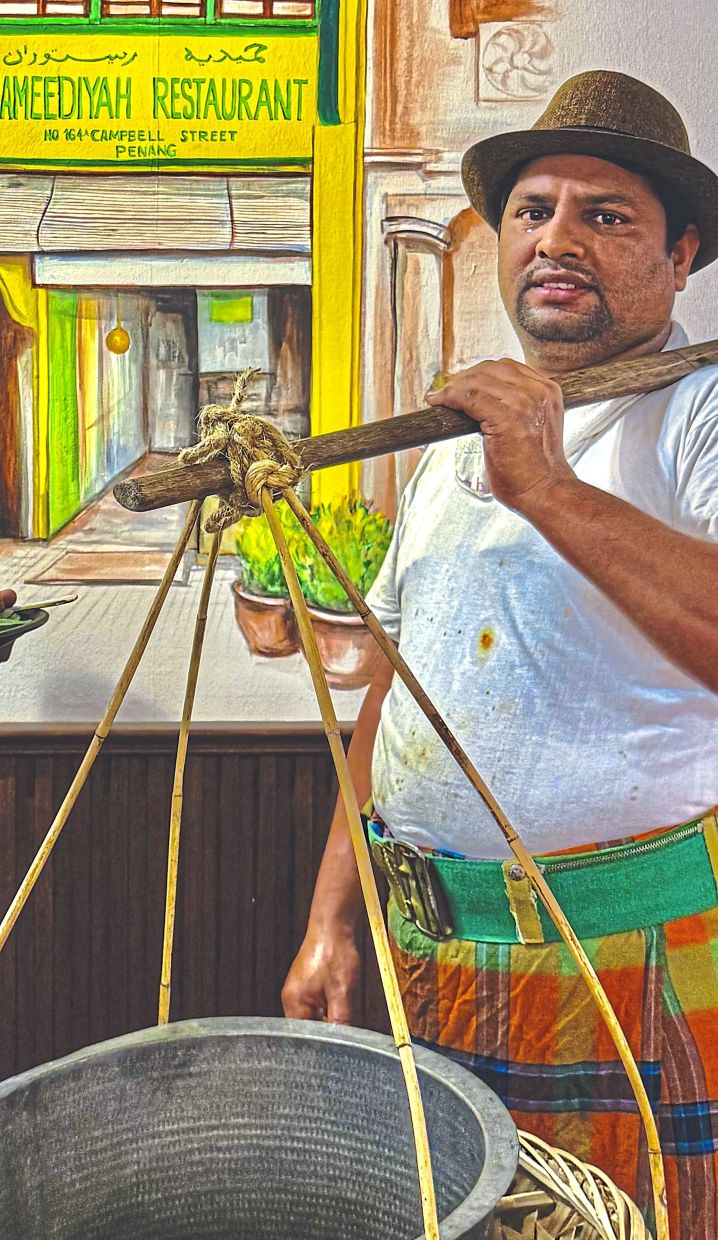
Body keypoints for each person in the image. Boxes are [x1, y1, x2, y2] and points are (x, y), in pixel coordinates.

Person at [283, 70, 718, 1236]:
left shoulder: (699, 414)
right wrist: (334, 916)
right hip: (435, 949)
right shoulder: (451, 448)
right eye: (532, 211)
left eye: (605, 214)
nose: (556, 239)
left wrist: (547, 484)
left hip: (633, 954)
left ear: (680, 257)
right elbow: (398, 694)